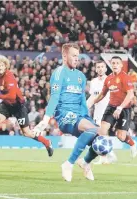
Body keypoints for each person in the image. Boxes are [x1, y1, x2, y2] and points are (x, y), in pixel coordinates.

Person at [34, 43, 99, 182]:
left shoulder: (81, 76)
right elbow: (54, 97)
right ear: (64, 56)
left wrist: (87, 116)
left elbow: (82, 99)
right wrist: (45, 120)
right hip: (65, 116)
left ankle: (85, 162)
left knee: (102, 142)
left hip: (80, 115)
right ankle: (68, 164)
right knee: (92, 129)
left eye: (78, 56)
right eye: (73, 56)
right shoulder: (59, 73)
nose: (77, 59)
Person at [0, 55, 53, 159]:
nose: (0, 68)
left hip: (18, 106)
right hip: (6, 105)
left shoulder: (9, 77)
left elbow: (11, 95)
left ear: (6, 66)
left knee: (27, 133)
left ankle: (47, 142)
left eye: (2, 65)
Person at [89, 56, 137, 158]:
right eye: (113, 63)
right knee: (102, 130)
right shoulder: (108, 79)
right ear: (111, 65)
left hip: (124, 109)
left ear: (121, 65)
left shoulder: (125, 77)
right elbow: (102, 94)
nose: (115, 65)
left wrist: (120, 108)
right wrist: (92, 102)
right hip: (111, 107)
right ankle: (109, 153)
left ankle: (133, 144)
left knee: (120, 136)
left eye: (117, 63)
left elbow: (130, 95)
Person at [87, 60, 117, 164]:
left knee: (102, 133)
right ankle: (106, 157)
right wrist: (87, 107)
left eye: (102, 67)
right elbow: (93, 97)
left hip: (107, 110)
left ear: (105, 68)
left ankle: (109, 155)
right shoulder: (93, 82)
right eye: (98, 67)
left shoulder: (110, 79)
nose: (100, 69)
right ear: (96, 69)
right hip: (97, 112)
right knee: (99, 135)